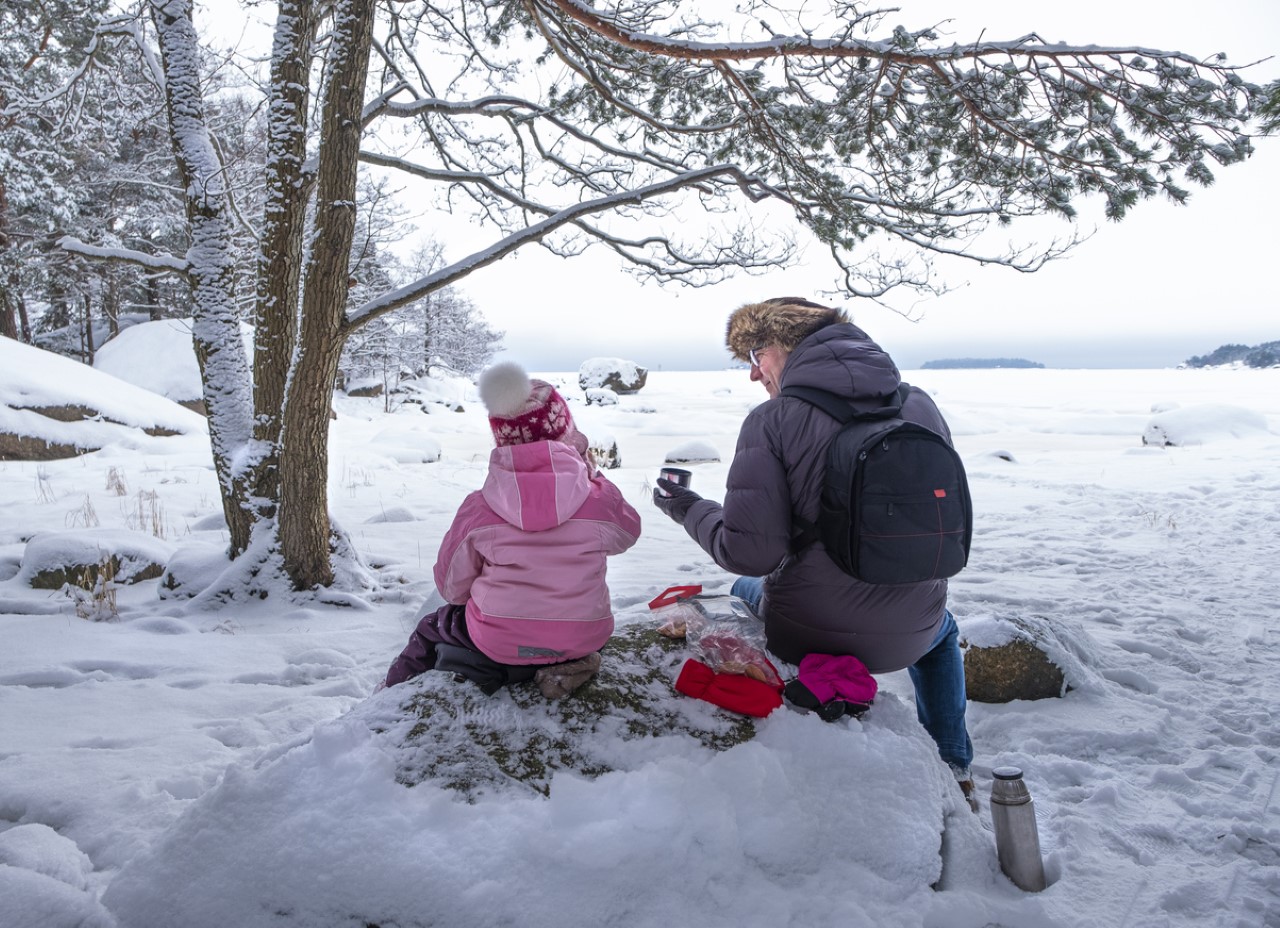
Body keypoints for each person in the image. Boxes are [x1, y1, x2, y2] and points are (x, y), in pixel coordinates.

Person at [651, 297, 977, 808]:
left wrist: (687, 507)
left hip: (807, 631)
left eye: (757, 354)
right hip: (913, 631)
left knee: (742, 588)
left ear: (785, 346)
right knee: (945, 634)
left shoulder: (771, 420)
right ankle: (955, 763)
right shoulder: (919, 405)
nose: (755, 374)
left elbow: (749, 555)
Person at [383, 362, 642, 698]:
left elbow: (451, 588)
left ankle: (390, 695)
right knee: (569, 632)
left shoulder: (479, 508)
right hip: (585, 635)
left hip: (498, 642)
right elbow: (628, 532)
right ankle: (569, 665)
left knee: (432, 627)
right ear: (567, 435)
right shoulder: (597, 500)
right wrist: (595, 478)